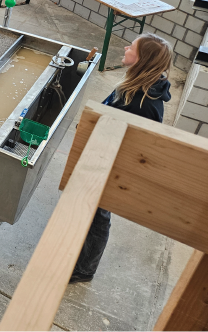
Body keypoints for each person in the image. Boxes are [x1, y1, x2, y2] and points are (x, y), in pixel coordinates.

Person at [70, 33, 173, 284]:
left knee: (99, 216)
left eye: (132, 47)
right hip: (104, 154)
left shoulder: (144, 103)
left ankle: (85, 269)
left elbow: (141, 146)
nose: (126, 48)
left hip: (113, 165)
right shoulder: (135, 87)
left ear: (141, 60)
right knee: (91, 210)